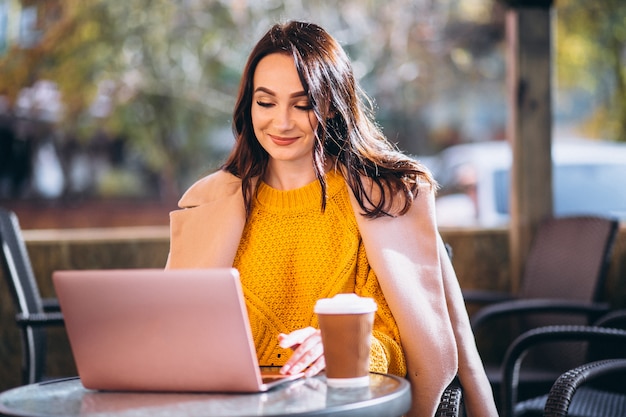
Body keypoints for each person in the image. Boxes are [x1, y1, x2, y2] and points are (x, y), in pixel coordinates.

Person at [166, 20, 498, 417]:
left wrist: (347, 351)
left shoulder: (379, 203)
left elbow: (401, 346)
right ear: (247, 105)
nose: (282, 122)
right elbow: (176, 338)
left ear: (331, 104)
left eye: (303, 104)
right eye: (265, 102)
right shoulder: (211, 204)